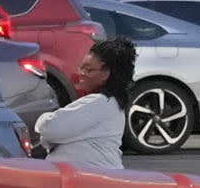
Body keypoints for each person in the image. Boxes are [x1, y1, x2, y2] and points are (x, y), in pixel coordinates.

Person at [30, 38, 134, 171]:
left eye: (89, 70)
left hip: (92, 182)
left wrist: (45, 118)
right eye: (81, 67)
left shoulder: (99, 103)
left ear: (105, 74)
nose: (81, 73)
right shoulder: (111, 104)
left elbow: (50, 128)